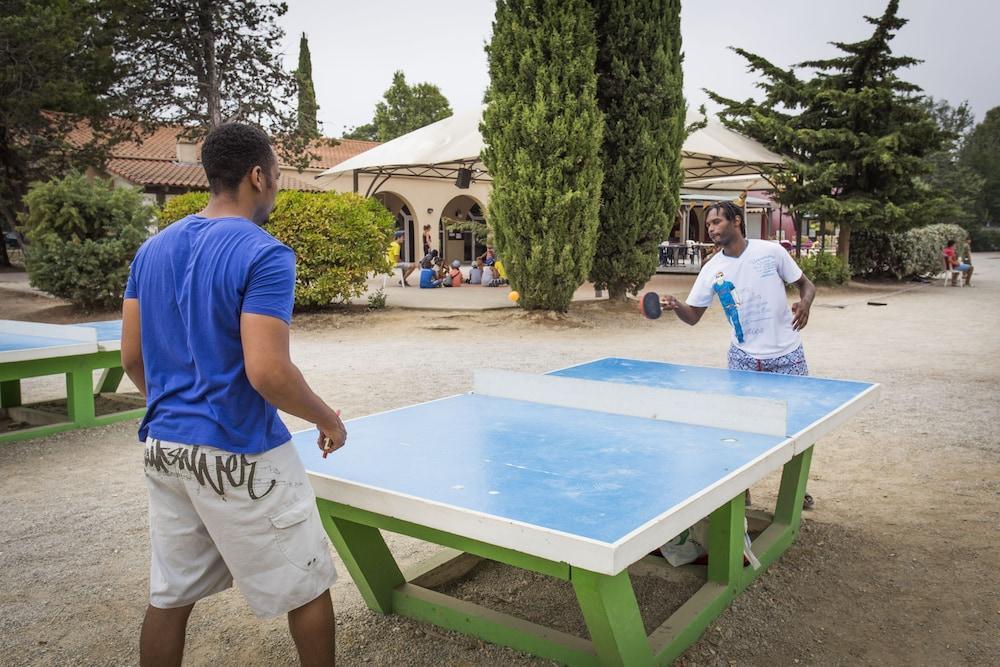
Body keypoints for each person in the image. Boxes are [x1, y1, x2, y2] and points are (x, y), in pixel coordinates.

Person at [120, 123, 346, 667]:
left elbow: (131, 358)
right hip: (241, 450)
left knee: (169, 596)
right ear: (257, 176)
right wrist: (327, 420)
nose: (276, 187)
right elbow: (268, 371)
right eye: (277, 176)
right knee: (308, 584)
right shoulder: (265, 254)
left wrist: (176, 409)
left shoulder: (151, 251)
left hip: (165, 448)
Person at [659, 197, 816, 508]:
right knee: (740, 429)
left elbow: (806, 285)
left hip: (787, 354)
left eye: (716, 222)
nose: (711, 229)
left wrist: (806, 304)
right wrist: (677, 305)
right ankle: (741, 488)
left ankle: (796, 490)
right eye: (708, 224)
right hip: (742, 359)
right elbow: (693, 317)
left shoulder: (771, 251)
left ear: (736, 221)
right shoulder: (711, 269)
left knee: (797, 426)